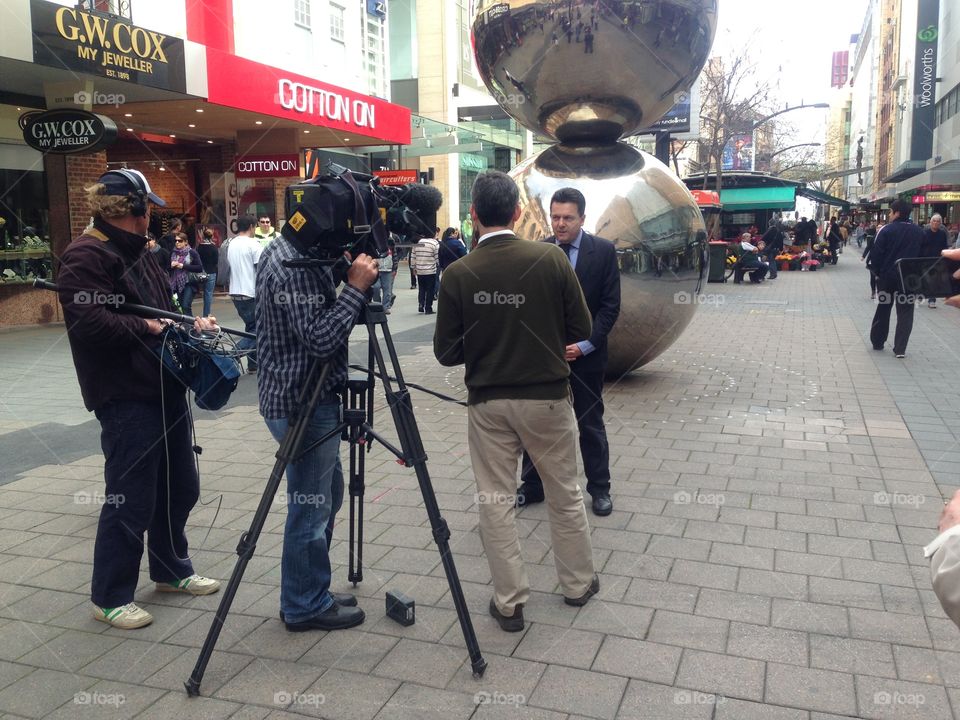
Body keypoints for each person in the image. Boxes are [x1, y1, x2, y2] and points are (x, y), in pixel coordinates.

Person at [434, 171, 599, 633]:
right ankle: (577, 585)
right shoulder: (550, 260)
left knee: (495, 500)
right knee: (565, 492)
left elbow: (446, 353)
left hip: (489, 405)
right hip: (547, 398)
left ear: (473, 215)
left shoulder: (459, 273)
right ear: (517, 213)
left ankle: (509, 603)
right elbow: (582, 328)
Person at [56, 169, 220, 630]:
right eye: (148, 207)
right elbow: (90, 324)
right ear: (133, 210)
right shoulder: (85, 256)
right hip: (125, 395)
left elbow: (164, 309)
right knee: (131, 497)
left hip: (163, 383)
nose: (153, 216)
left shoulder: (141, 251)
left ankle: (171, 570)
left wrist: (190, 324)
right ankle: (110, 596)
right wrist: (147, 327)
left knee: (179, 485)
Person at [256, 223, 379, 632]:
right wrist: (355, 288)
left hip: (300, 397)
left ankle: (310, 586)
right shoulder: (292, 267)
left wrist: (339, 275)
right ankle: (304, 604)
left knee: (328, 492)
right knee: (310, 506)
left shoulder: (292, 250)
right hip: (301, 405)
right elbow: (322, 340)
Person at [516, 188, 621, 516]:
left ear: (582, 219)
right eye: (556, 217)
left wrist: (586, 344)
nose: (560, 224)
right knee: (537, 423)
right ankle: (532, 486)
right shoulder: (540, 251)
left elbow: (610, 306)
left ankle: (600, 489)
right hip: (546, 359)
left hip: (587, 358)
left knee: (590, 423)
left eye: (567, 218)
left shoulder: (602, 252)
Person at [868, 199, 924, 358]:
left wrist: (877, 273)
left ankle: (878, 341)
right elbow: (923, 257)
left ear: (897, 213)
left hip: (888, 278)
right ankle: (900, 349)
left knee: (884, 308)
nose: (889, 215)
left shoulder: (886, 230)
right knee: (906, 312)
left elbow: (876, 254)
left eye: (891, 212)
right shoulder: (919, 232)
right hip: (909, 279)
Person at [227, 215, 264, 372]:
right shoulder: (253, 244)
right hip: (250, 292)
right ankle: (232, 354)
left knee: (251, 327)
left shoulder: (231, 243)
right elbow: (261, 270)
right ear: (251, 226)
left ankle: (253, 365)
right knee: (258, 330)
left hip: (235, 291)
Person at [169, 232, 203, 316]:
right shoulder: (173, 253)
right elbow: (167, 268)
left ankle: (190, 326)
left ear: (185, 242)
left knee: (185, 306)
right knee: (179, 307)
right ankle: (184, 325)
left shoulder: (192, 252)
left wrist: (183, 266)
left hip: (189, 283)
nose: (177, 242)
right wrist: (171, 266)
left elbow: (199, 268)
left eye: (180, 241)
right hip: (176, 284)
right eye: (176, 241)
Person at [921, 214, 950, 308]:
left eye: (938, 221)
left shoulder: (942, 234)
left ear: (940, 223)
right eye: (934, 221)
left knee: (934, 280)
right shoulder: (925, 232)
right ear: (930, 222)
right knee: (924, 279)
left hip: (937, 260)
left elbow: (945, 246)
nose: (936, 223)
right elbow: (921, 246)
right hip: (925, 259)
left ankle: (932, 300)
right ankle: (921, 294)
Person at [411, 227, 440, 314]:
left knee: (422, 288)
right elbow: (437, 257)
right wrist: (438, 264)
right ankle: (428, 308)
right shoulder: (434, 243)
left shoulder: (417, 243)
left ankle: (421, 304)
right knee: (430, 290)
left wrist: (413, 267)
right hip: (430, 271)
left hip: (420, 270)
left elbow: (413, 256)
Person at [196, 228, 220, 317]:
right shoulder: (214, 247)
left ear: (203, 236)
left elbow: (197, 260)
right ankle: (206, 314)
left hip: (201, 272)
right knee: (208, 294)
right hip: (211, 272)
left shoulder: (199, 247)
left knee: (202, 291)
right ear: (212, 236)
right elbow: (216, 261)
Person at [860, 223, 878, 299]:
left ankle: (880, 291)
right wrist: (863, 256)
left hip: (883, 260)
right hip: (873, 260)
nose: (879, 229)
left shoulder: (887, 238)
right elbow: (868, 247)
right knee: (873, 277)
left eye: (881, 228)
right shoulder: (873, 238)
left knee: (881, 277)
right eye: (878, 228)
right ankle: (873, 291)